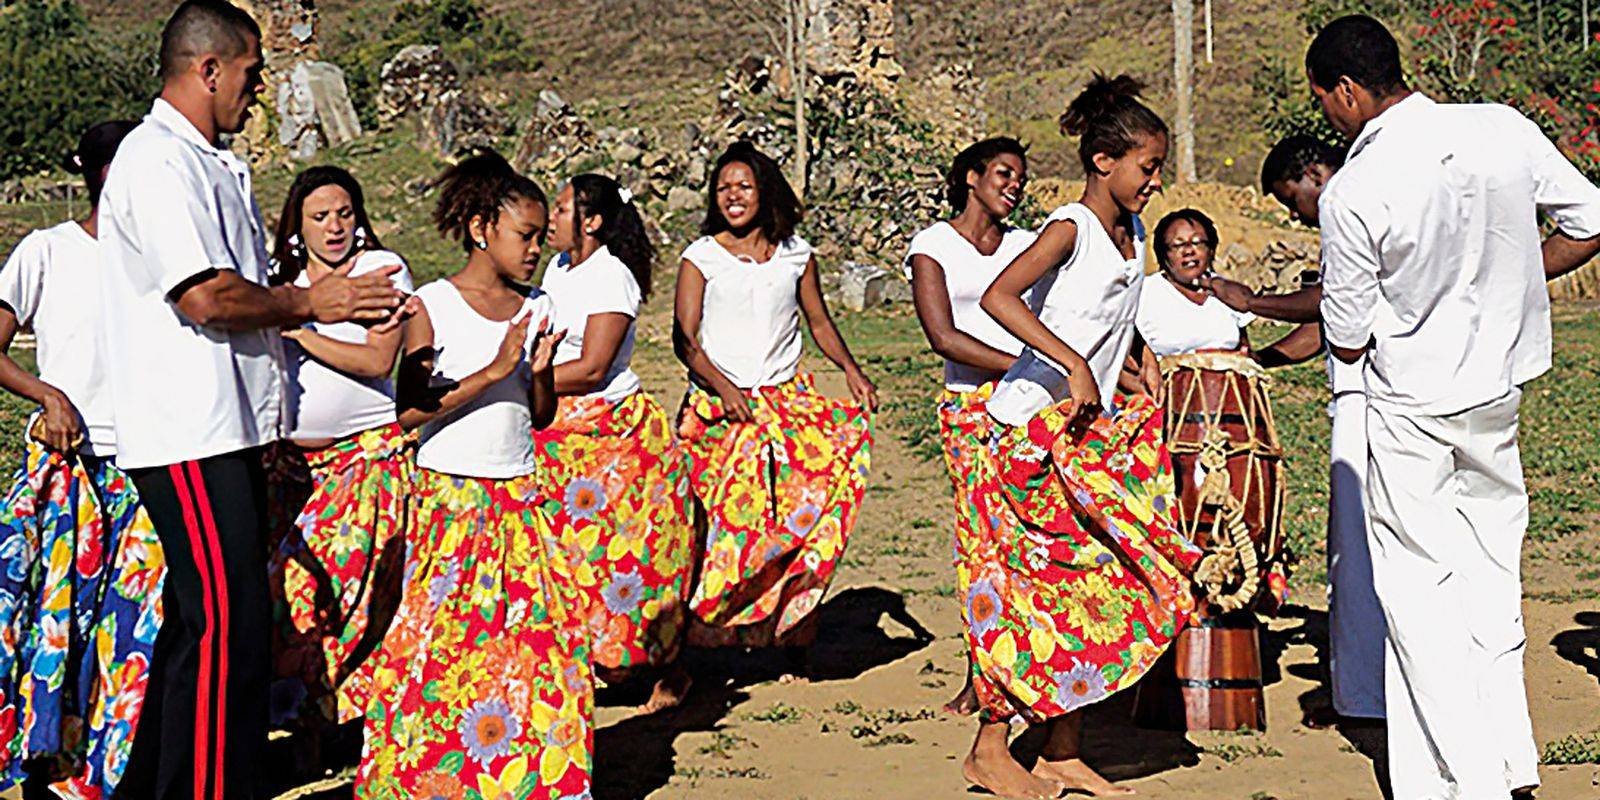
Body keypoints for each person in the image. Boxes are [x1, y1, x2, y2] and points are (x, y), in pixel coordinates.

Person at [98, 3, 404, 797]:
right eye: (250, 73)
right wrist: (314, 304)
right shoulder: (157, 161)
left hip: (228, 425)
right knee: (225, 628)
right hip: (188, 429)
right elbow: (204, 297)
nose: (257, 90)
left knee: (202, 623)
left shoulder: (210, 164)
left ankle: (154, 788)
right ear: (207, 70)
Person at [1308, 15, 1600, 799]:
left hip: (1412, 405)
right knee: (1491, 577)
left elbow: (1344, 336)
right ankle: (1511, 762)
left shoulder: (1357, 188)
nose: (1329, 120)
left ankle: (1464, 780)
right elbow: (1591, 220)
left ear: (1345, 90)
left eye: (1326, 104)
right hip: (1497, 396)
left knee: (1420, 595)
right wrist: (1513, 284)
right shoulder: (1502, 127)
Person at [963, 74, 1200, 799]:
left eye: (1158, 168)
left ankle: (1063, 747)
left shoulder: (1130, 236)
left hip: (1082, 438)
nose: (1155, 182)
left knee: (1097, 586)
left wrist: (1134, 367)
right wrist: (1069, 363)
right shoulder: (1069, 227)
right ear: (1104, 161)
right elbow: (999, 296)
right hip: (1024, 434)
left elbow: (1108, 326)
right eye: (1147, 167)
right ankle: (989, 745)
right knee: (1024, 595)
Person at [356, 151, 588, 798]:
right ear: (483, 229)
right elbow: (408, 409)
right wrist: (494, 367)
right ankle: (423, 779)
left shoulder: (538, 306)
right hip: (450, 503)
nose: (538, 249)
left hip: (519, 500)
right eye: (526, 235)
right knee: (439, 651)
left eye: (543, 236)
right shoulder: (432, 304)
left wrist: (536, 370)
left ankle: (532, 780)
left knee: (541, 647)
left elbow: (538, 416)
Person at [0, 121, 164, 800]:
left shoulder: (161, 264)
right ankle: (47, 767)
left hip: (147, 466)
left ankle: (111, 776)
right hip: (69, 466)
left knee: (132, 633)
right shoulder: (47, 251)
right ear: (94, 173)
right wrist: (47, 394)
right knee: (53, 620)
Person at [672, 141, 877, 665]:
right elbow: (684, 339)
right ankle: (694, 648)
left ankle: (793, 640)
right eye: (722, 189)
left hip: (790, 409)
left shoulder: (795, 255)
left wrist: (850, 369)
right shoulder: (702, 257)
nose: (732, 196)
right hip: (720, 413)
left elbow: (820, 322)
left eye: (742, 186)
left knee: (796, 522)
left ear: (764, 192)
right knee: (711, 530)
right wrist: (722, 387)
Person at [1208, 134, 1386, 728]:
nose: (1294, 215)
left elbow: (1325, 301)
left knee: (1360, 554)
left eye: (1292, 200)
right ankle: (1363, 683)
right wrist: (1263, 360)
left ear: (1314, 173)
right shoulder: (1355, 207)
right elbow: (1326, 325)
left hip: (1376, 404)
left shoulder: (1353, 206)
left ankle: (1364, 696)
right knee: (1356, 551)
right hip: (1363, 401)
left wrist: (1251, 300)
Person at [264, 166, 416, 745]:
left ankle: (339, 724)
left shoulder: (381, 271)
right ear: (297, 227)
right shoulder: (281, 283)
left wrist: (301, 329)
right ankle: (307, 722)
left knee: (340, 600)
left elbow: (379, 362)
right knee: (287, 601)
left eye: (345, 214)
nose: (335, 227)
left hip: (363, 460)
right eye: (320, 217)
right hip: (290, 467)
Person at [535, 173, 694, 713]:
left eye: (560, 210)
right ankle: (590, 658)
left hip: (612, 435)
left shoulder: (612, 278)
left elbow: (593, 365)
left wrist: (516, 378)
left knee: (632, 558)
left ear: (592, 221)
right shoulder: (557, 269)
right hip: (557, 432)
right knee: (566, 558)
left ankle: (670, 667)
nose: (550, 220)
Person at [904, 136, 1034, 717]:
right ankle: (980, 674)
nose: (1014, 185)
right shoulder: (932, 246)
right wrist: (1028, 365)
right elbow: (943, 336)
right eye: (1004, 173)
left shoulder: (1028, 246)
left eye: (1020, 178)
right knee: (980, 543)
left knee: (1027, 540)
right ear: (971, 178)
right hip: (972, 408)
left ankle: (1031, 667)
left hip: (1032, 405)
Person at [1135, 208, 1254, 357]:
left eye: (1197, 243)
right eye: (1178, 245)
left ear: (1211, 250)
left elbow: (1246, 351)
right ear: (1162, 254)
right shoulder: (1144, 293)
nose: (1188, 251)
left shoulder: (1227, 290)